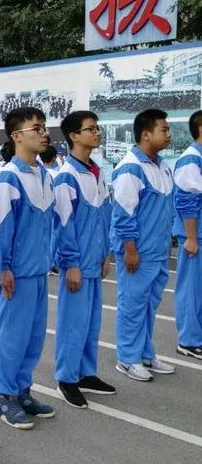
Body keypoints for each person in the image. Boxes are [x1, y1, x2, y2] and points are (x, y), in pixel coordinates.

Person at [0, 107, 55, 429]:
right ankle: (5, 398)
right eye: (36, 129)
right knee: (12, 337)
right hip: (16, 273)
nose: (43, 134)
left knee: (33, 337)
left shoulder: (43, 173)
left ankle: (23, 391)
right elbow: (1, 227)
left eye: (44, 128)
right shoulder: (8, 178)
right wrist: (3, 268)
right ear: (17, 136)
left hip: (39, 270)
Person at [52, 111, 116, 408]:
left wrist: (106, 255)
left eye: (97, 128)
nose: (97, 133)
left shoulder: (97, 171)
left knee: (92, 321)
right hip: (77, 264)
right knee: (73, 322)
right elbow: (64, 225)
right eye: (90, 129)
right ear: (74, 137)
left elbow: (103, 218)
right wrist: (71, 263)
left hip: (95, 259)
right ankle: (66, 377)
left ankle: (86, 373)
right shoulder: (67, 176)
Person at [111, 109, 175, 381]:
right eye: (164, 129)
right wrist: (130, 250)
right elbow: (124, 214)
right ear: (146, 135)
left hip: (157, 252)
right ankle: (127, 358)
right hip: (138, 252)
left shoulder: (162, 165)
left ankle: (146, 353)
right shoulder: (130, 168)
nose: (168, 134)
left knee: (148, 305)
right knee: (132, 305)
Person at [173, 110, 202, 360]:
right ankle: (188, 340)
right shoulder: (191, 159)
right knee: (191, 290)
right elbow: (186, 201)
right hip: (196, 236)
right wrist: (191, 237)